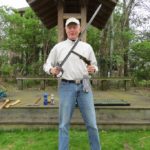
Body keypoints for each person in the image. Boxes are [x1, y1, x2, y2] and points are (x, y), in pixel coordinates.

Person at [43, 17, 101, 150]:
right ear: (66, 29)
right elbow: (47, 64)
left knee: (92, 124)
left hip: (84, 86)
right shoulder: (59, 47)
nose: (72, 30)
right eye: (70, 27)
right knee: (63, 124)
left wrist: (94, 69)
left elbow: (95, 66)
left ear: (79, 29)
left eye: (75, 27)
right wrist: (51, 69)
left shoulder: (87, 47)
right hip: (66, 86)